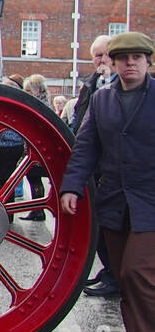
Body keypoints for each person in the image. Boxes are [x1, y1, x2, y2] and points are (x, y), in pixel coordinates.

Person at [61, 31, 155, 332]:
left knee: (137, 274)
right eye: (123, 58)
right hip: (115, 204)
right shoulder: (102, 100)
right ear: (113, 63)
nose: (130, 63)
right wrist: (72, 187)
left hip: (150, 203)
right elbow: (85, 148)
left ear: (147, 62)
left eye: (137, 57)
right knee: (127, 282)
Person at [72, 35, 118, 295]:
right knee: (98, 222)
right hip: (94, 164)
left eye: (106, 55)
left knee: (114, 223)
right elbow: (80, 120)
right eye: (97, 56)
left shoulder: (124, 86)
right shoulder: (90, 86)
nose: (101, 60)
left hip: (115, 164)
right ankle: (109, 269)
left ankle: (117, 275)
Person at [21, 74, 51, 220]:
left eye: (28, 91)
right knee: (33, 178)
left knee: (34, 177)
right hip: (37, 148)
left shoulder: (39, 106)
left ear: (36, 90)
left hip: (38, 149)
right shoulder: (44, 103)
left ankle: (38, 210)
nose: (26, 94)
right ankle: (37, 209)